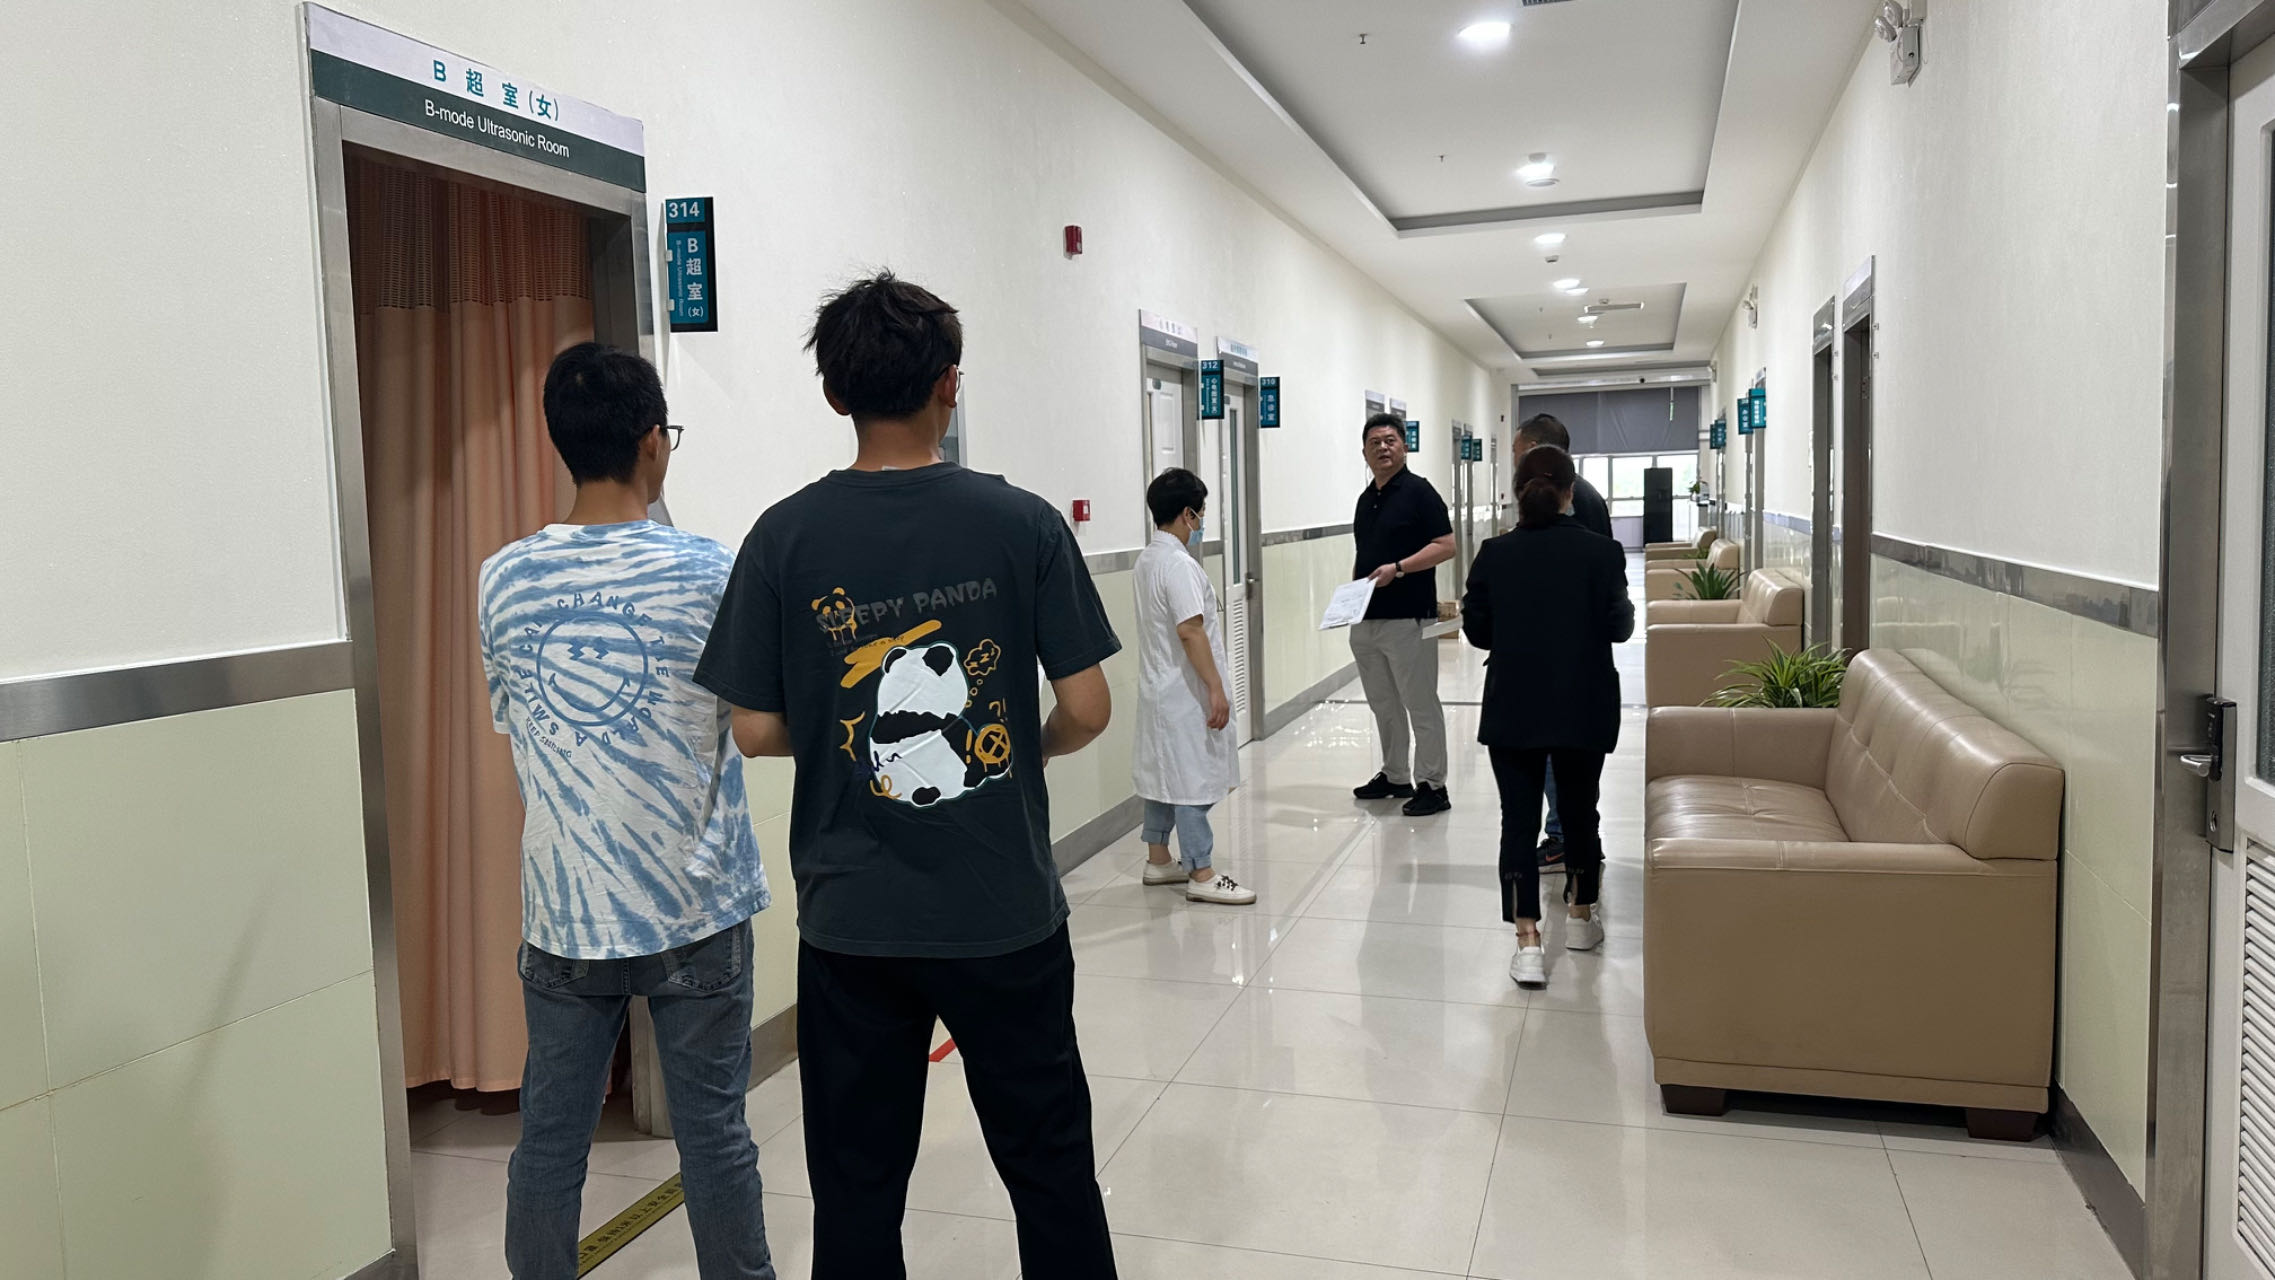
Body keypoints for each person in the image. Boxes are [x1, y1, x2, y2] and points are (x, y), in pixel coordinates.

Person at [694, 272, 1122, 1279]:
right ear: (950, 385)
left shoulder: (782, 535)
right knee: (1050, 1167)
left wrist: (848, 741)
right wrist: (1024, 744)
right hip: (1002, 906)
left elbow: (753, 729)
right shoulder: (1022, 523)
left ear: (834, 393)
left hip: (852, 921)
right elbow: (1088, 707)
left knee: (856, 1187)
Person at [477, 342, 775, 1279]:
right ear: (654, 442)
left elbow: (513, 717)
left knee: (550, 1139)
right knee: (714, 1134)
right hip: (696, 900)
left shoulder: (503, 577)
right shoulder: (711, 569)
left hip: (565, 907)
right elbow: (751, 721)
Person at [1461, 443, 1633, 988]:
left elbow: (1477, 631)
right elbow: (1621, 627)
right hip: (1583, 702)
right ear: (1569, 492)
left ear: (1517, 493)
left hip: (1514, 702)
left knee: (1518, 820)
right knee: (1580, 813)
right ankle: (1580, 918)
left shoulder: (1494, 554)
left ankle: (1528, 941)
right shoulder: (1602, 553)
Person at [1133, 467, 1255, 905]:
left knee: (1164, 776)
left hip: (1159, 689)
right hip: (1184, 693)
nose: (1201, 521)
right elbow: (1190, 630)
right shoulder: (1179, 565)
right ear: (1188, 514)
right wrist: (1216, 688)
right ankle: (1201, 872)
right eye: (1200, 512)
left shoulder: (1148, 559)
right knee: (1190, 783)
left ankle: (1158, 859)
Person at [1514, 412, 1615, 876]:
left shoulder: (1572, 504)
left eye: (1518, 454)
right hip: (1578, 655)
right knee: (1573, 757)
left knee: (1560, 754)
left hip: (1565, 657)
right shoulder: (1581, 494)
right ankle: (1575, 839)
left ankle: (1562, 839)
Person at [1349, 412, 1457, 816]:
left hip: (1409, 617)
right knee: (1383, 703)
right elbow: (1364, 554)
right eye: (1374, 442)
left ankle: (1433, 784)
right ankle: (1395, 775)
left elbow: (1446, 546)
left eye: (1390, 440)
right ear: (1364, 452)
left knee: (1419, 702)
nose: (1382, 447)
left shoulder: (1420, 492)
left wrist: (1399, 568)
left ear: (1404, 446)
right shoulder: (1366, 499)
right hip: (1367, 617)